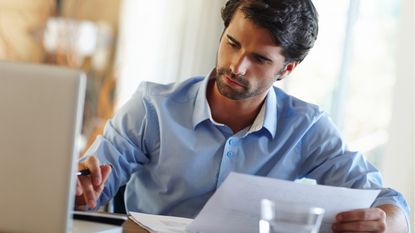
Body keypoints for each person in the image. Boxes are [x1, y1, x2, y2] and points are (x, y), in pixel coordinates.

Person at [75, 0, 410, 232]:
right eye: (232, 43)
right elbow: (87, 193)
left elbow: (389, 202)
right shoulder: (153, 107)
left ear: (287, 69)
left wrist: (387, 221)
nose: (237, 66)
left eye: (260, 59)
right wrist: (79, 188)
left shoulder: (307, 129)